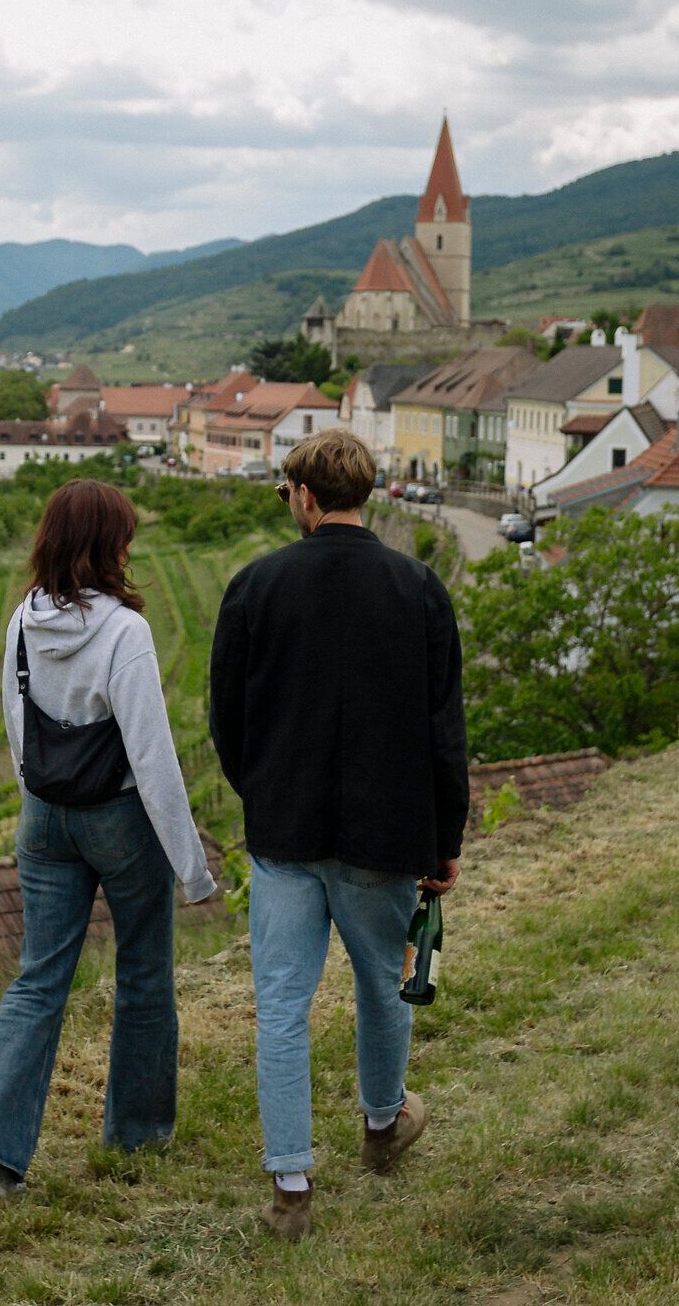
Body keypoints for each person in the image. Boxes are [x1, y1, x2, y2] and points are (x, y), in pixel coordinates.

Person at [208, 428, 467, 1240]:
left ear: (307, 496)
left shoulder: (255, 587)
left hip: (284, 830)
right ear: (366, 494)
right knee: (381, 988)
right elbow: (443, 729)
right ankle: (384, 1127)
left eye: (287, 493)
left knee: (281, 1005)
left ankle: (290, 1185)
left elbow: (227, 720)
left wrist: (264, 791)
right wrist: (444, 838)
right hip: (384, 831)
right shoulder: (419, 588)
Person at [0, 477, 217, 1201]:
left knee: (37, 979)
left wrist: (40, 800)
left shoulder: (22, 618)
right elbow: (152, 754)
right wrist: (193, 871)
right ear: (111, 544)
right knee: (143, 974)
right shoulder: (126, 632)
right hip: (121, 820)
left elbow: (16, 724)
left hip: (43, 815)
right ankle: (136, 1138)